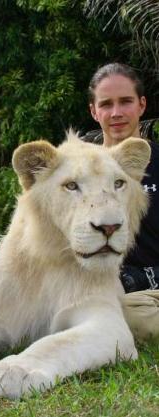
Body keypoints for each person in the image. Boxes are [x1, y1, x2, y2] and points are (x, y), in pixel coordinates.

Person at [88, 62, 159, 341]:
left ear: (141, 105)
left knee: (127, 316)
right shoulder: (80, 172)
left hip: (150, 293)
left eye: (125, 102)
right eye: (106, 104)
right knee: (122, 313)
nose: (116, 113)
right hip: (111, 289)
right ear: (94, 112)